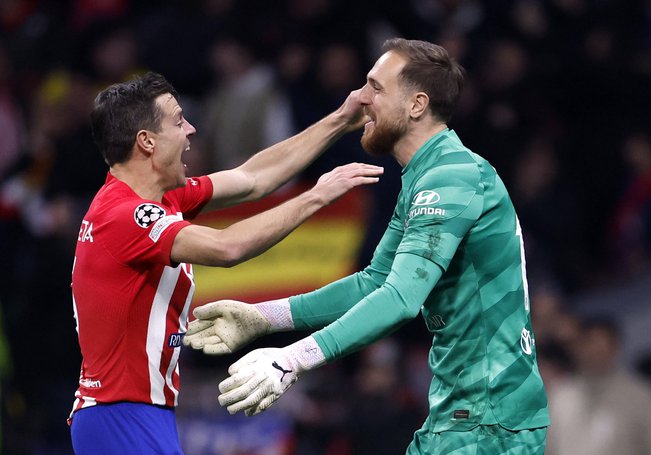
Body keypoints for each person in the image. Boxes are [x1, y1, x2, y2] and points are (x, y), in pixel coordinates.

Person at [185, 38, 550, 454]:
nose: (359, 98)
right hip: (462, 413)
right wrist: (263, 317)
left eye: (375, 87)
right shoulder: (424, 176)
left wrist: (292, 360)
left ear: (416, 105)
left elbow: (400, 299)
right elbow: (374, 283)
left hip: (489, 419)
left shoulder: (452, 176)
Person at [68, 71, 383, 454]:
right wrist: (316, 197)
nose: (191, 130)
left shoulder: (160, 200)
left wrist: (340, 120)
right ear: (146, 142)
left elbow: (253, 178)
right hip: (119, 416)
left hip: (136, 413)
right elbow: (227, 247)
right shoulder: (127, 216)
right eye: (178, 120)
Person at [546, 316, 651, 455]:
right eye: (589, 344)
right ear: (577, 347)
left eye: (601, 346)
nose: (595, 352)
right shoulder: (559, 395)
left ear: (615, 347)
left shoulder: (639, 395)